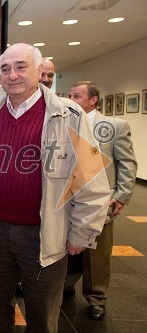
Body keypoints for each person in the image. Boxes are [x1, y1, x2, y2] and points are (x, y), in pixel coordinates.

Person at [0, 43, 110, 333]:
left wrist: (82, 232)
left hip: (45, 232)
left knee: (42, 314)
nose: (13, 75)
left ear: (39, 71)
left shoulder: (69, 115)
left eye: (21, 67)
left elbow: (92, 180)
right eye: (5, 69)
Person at [67, 81, 137, 320]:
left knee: (97, 254)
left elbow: (127, 162)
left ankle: (96, 298)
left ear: (93, 99)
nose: (71, 100)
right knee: (68, 248)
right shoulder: (64, 124)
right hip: (68, 200)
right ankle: (66, 285)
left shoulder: (114, 126)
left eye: (77, 96)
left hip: (102, 201)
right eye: (70, 95)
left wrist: (122, 195)